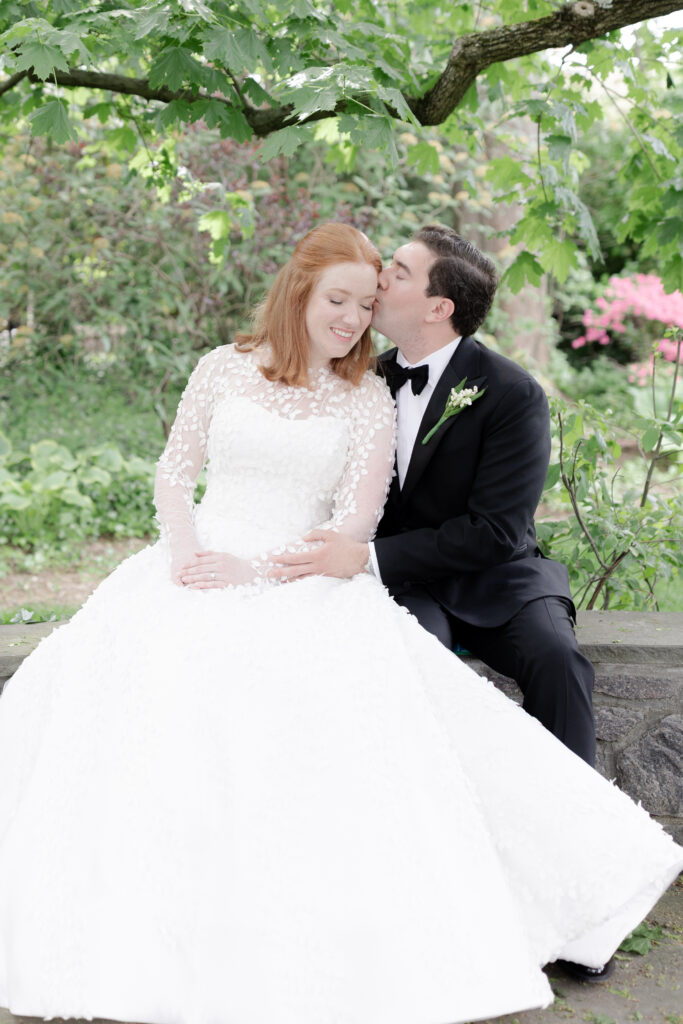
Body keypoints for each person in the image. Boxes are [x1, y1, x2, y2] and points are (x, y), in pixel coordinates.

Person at [0, 223, 680, 1024]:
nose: (358, 314)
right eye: (342, 298)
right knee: (134, 683)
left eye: (372, 297)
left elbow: (359, 522)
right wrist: (185, 550)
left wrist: (260, 571)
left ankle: (564, 883)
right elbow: (175, 471)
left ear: (430, 305)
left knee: (479, 675)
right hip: (193, 564)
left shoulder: (382, 393)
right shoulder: (225, 367)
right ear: (299, 290)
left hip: (335, 571)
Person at [273, 225, 595, 768]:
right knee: (411, 657)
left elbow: (496, 532)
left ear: (437, 308)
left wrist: (366, 557)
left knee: (558, 660)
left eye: (399, 271)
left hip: (500, 577)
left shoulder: (513, 394)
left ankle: (584, 828)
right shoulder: (364, 380)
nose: (380, 277)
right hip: (405, 582)